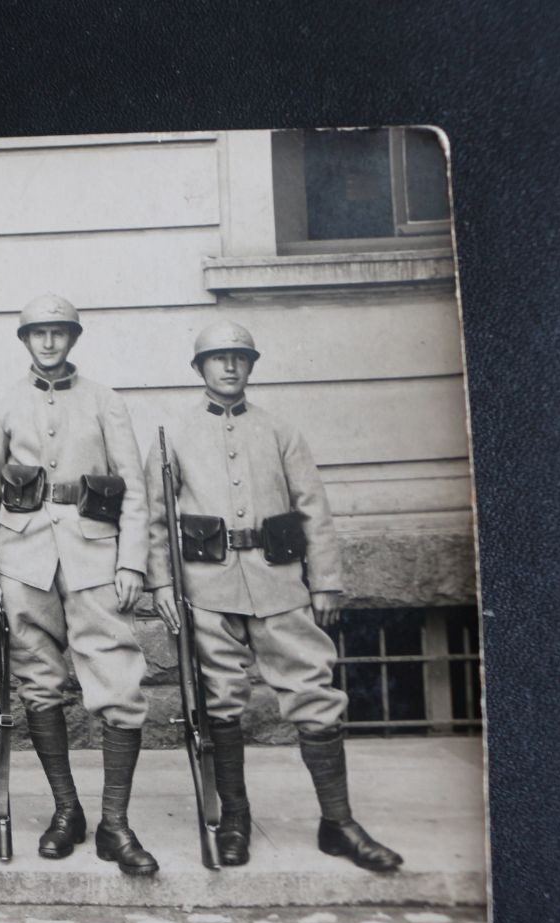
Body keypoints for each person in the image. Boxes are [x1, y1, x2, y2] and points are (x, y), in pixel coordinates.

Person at [146, 320, 403, 872]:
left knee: (314, 691)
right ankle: (235, 817)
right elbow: (156, 519)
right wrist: (163, 584)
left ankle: (338, 822)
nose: (230, 367)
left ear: (252, 366)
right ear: (199, 369)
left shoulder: (280, 431)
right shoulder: (173, 435)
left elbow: (313, 507)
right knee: (221, 701)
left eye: (240, 357)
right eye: (218, 358)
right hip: (207, 587)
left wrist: (326, 581)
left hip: (279, 582)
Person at [0, 294, 158, 874]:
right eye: (39, 334)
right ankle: (66, 810)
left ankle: (115, 824)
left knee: (118, 684)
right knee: (38, 682)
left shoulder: (105, 401)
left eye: (59, 333)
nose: (49, 343)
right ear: (25, 340)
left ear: (73, 338)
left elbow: (133, 486)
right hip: (23, 558)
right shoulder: (2, 405)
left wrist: (133, 562)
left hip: (93, 558)